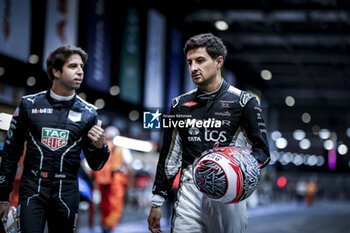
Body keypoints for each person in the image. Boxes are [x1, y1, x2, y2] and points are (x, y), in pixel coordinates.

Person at [147, 33, 270, 233]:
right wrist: (157, 201)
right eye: (190, 62)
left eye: (200, 60)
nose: (193, 67)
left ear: (218, 62)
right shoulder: (179, 105)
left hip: (229, 195)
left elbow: (263, 152)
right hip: (189, 193)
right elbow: (170, 157)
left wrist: (240, 168)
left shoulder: (245, 102)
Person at [0, 45, 110, 233]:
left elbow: (96, 165)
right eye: (73, 66)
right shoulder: (29, 105)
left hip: (66, 191)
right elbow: (11, 153)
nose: (80, 72)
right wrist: (3, 197)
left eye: (82, 67)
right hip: (32, 189)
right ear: (56, 71)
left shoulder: (89, 113)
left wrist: (101, 147)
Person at [94, 126, 133, 233]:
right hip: (117, 180)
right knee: (115, 205)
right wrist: (130, 183)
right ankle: (109, 225)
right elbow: (129, 165)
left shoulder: (102, 147)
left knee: (105, 204)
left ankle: (104, 224)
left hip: (103, 179)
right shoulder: (121, 147)